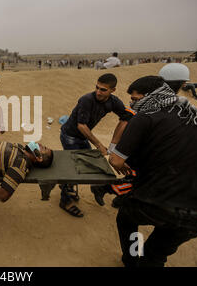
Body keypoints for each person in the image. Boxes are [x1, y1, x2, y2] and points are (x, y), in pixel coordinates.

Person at [109, 76, 197, 267]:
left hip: (156, 205)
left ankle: (131, 259)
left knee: (125, 217)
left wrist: (127, 166)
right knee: (155, 257)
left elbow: (115, 159)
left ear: (151, 96)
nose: (133, 104)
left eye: (136, 100)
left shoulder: (145, 117)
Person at [47, 74, 134, 218]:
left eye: (103, 90)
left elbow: (126, 116)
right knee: (74, 169)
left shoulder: (113, 102)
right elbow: (81, 126)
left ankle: (82, 186)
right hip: (70, 136)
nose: (98, 92)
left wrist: (116, 144)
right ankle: (65, 200)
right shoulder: (87, 100)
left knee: (91, 164)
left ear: (113, 90)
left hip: (82, 137)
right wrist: (99, 144)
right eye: (97, 88)